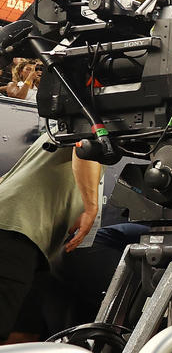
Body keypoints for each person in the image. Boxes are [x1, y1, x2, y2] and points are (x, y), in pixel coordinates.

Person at [0, 133, 101, 341]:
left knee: (25, 333)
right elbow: (83, 147)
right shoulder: (96, 119)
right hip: (15, 227)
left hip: (35, 239)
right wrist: (90, 208)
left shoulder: (59, 126)